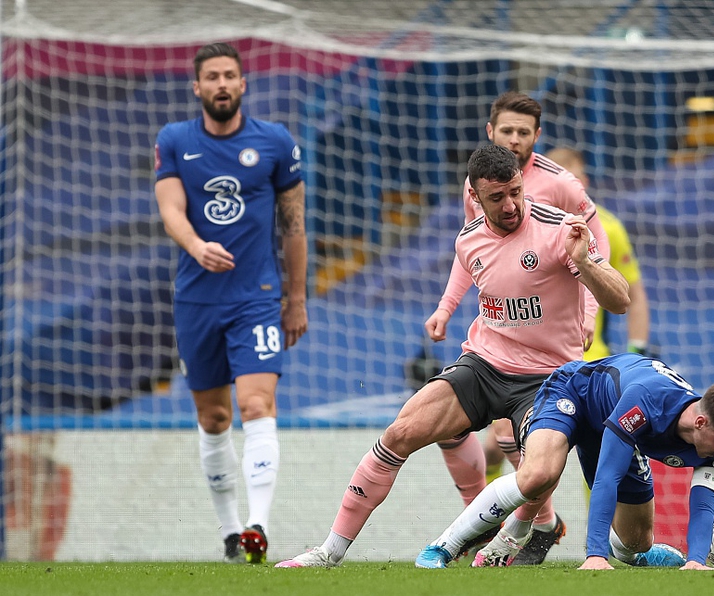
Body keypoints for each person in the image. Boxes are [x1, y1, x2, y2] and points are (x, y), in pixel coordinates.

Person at [276, 144, 629, 568]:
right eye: (496, 198)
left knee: (539, 471)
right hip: (484, 365)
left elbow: (620, 300)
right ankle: (328, 552)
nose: (511, 204)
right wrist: (444, 310)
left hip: (548, 378)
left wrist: (585, 264)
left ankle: (508, 537)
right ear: (475, 198)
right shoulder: (469, 240)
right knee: (400, 432)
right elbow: (471, 272)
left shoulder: (559, 229)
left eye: (515, 191)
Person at [439, 93, 613, 565]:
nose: (515, 138)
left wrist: (590, 313)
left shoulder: (562, 186)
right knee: (493, 434)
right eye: (507, 130)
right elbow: (472, 251)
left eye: (524, 132)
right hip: (501, 333)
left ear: (537, 137)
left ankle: (558, 529)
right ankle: (519, 522)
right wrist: (446, 306)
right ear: (490, 131)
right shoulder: (477, 186)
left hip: (557, 335)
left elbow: (597, 247)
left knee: (544, 437)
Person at [154, 42, 308, 564]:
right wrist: (197, 246)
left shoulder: (274, 142)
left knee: (256, 405)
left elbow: (293, 227)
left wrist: (297, 298)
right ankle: (230, 530)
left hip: (257, 297)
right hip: (196, 298)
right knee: (215, 418)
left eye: (230, 76)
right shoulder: (174, 140)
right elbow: (171, 208)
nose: (222, 84)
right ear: (197, 88)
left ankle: (258, 525)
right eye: (212, 77)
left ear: (244, 84)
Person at [415, 355, 714, 570]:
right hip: (574, 394)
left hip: (614, 427)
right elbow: (606, 478)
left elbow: (704, 502)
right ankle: (441, 547)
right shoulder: (645, 403)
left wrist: (697, 562)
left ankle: (635, 556)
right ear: (702, 423)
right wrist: (595, 555)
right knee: (539, 473)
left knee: (638, 542)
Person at [544, 147, 652, 361]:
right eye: (560, 181)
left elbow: (635, 295)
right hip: (532, 363)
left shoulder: (608, 228)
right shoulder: (526, 225)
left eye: (574, 180)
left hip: (590, 360)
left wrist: (636, 353)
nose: (568, 188)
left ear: (584, 181)